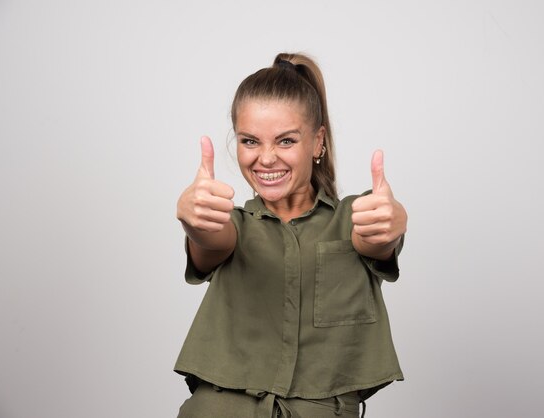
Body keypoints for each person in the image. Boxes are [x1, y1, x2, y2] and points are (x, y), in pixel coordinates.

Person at [174, 52, 408, 418]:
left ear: (317, 142)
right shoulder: (232, 224)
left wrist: (390, 224)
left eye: (285, 141)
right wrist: (195, 220)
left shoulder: (353, 217)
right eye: (250, 141)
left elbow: (375, 240)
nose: (265, 158)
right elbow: (211, 241)